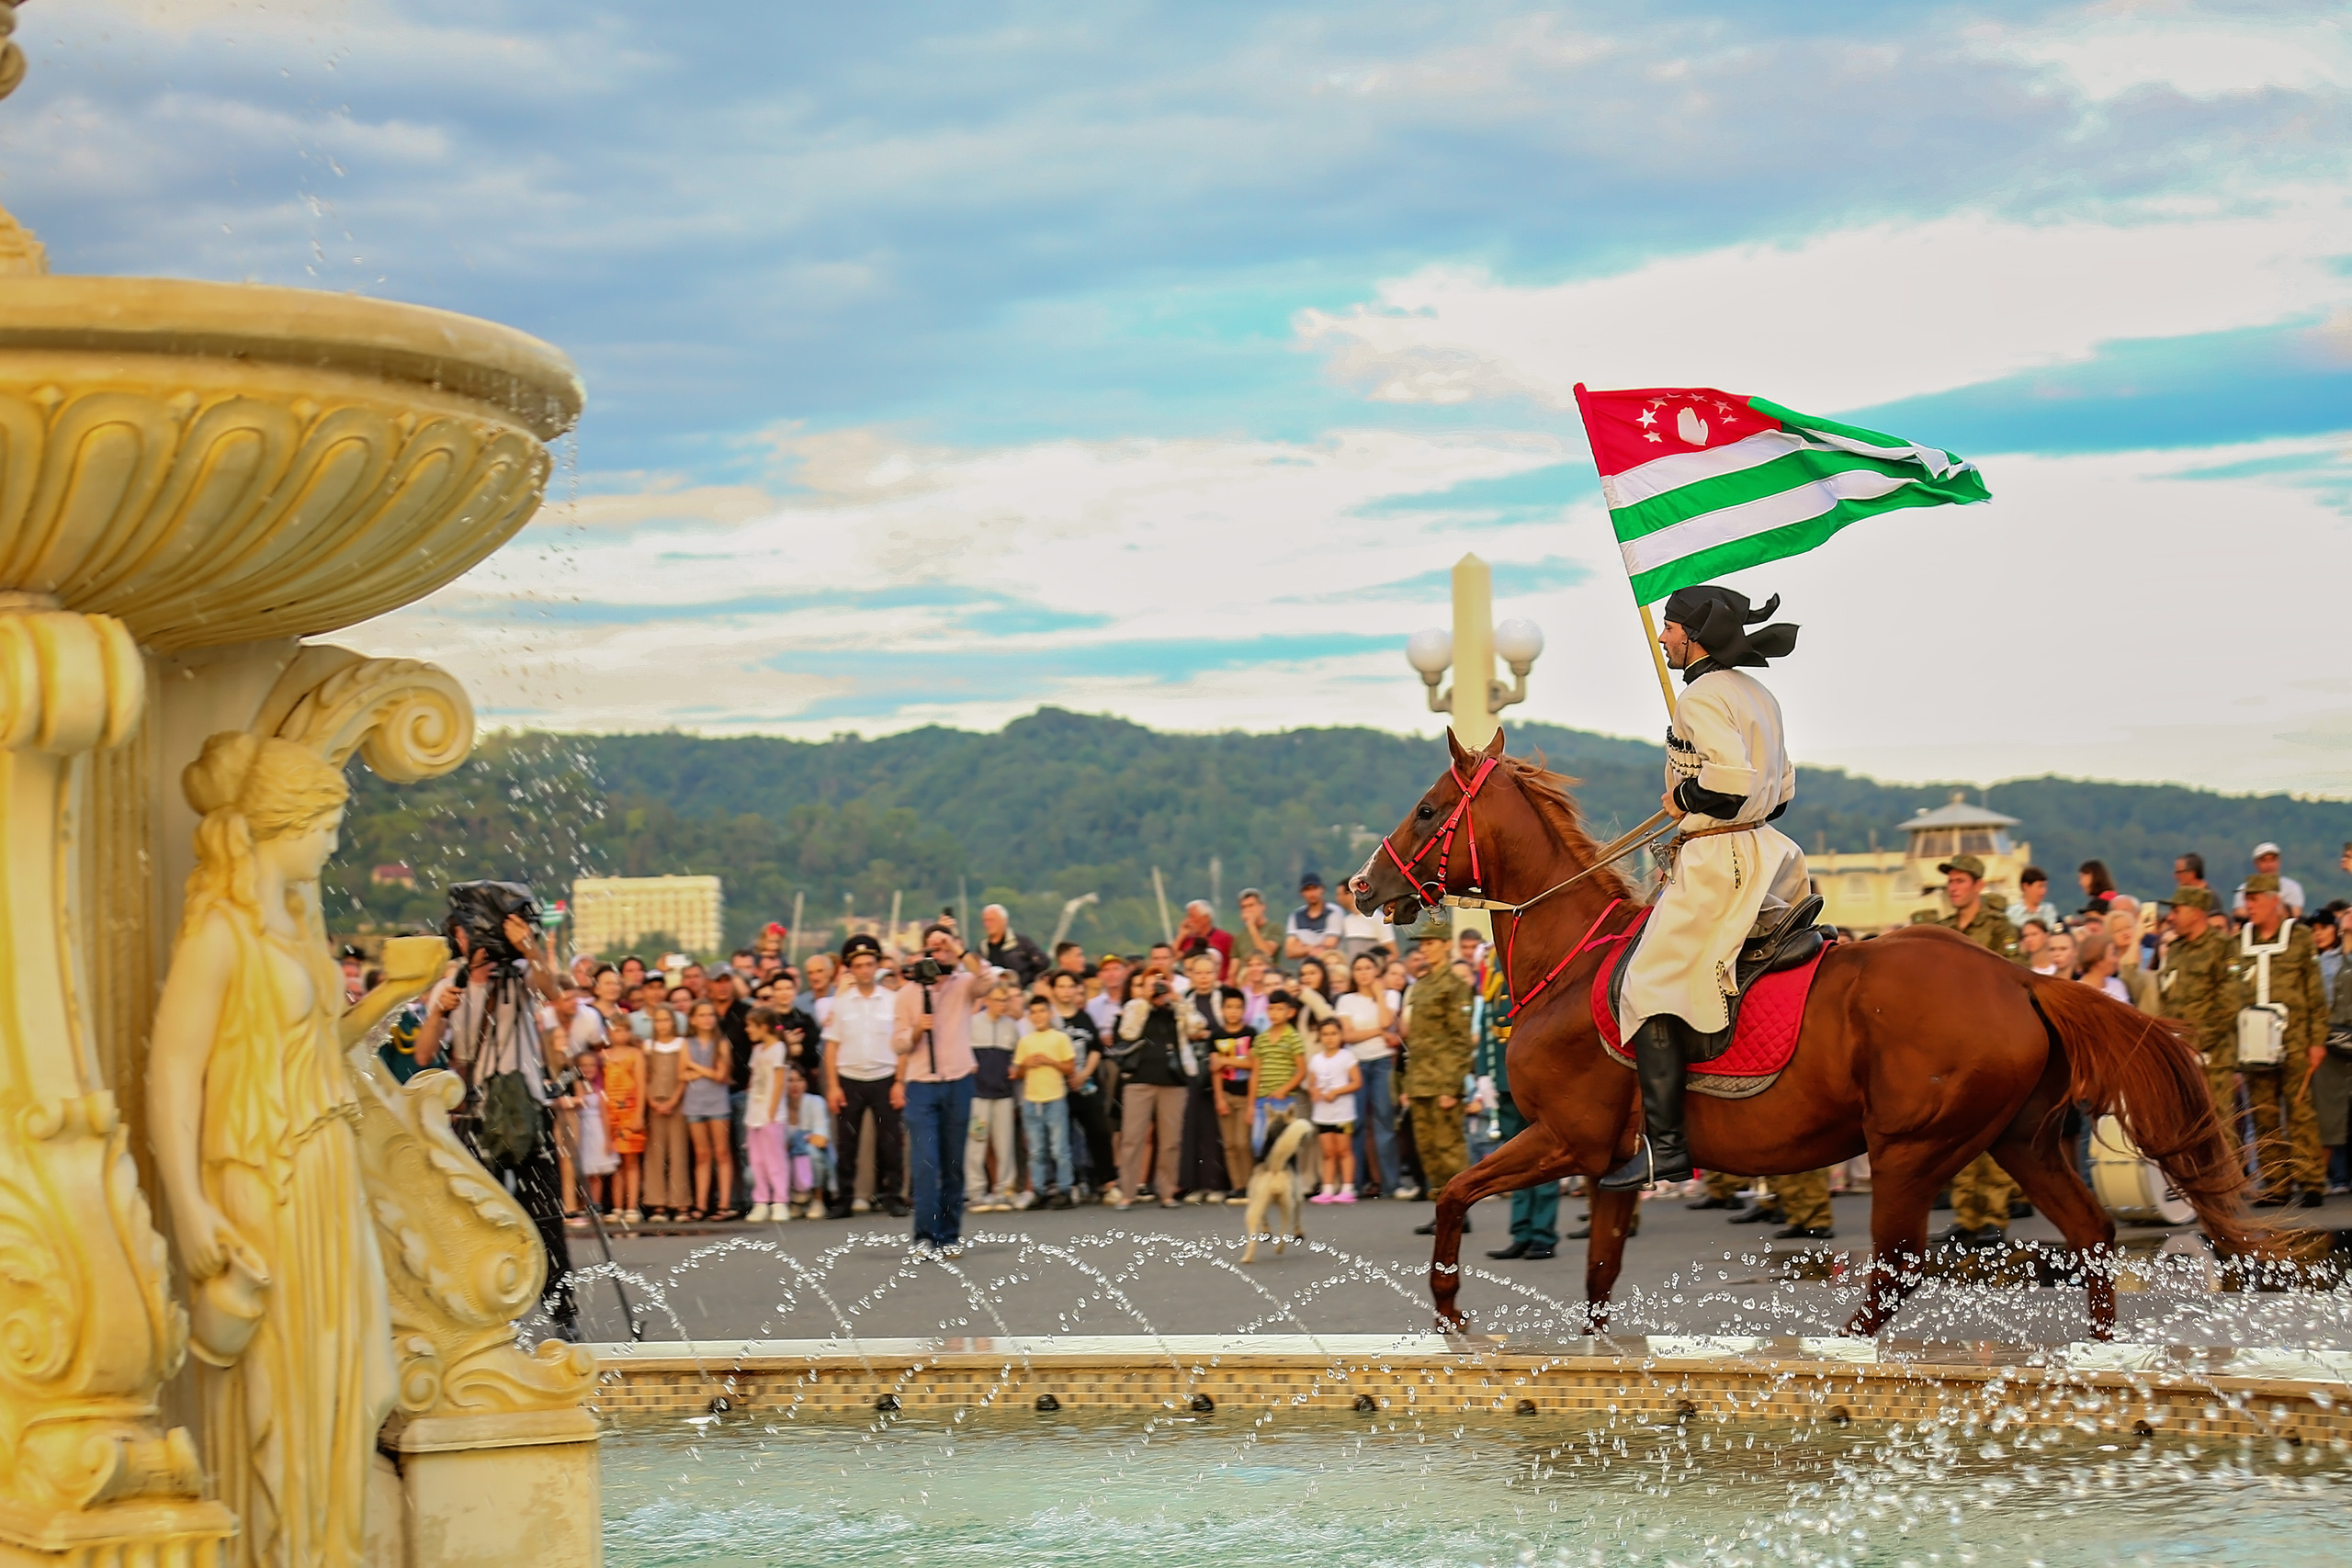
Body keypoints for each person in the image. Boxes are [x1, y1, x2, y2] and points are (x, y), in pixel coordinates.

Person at [1601, 584, 1807, 1191]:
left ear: (1693, 635)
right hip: (1772, 851)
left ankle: (1666, 1152)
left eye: (1669, 627)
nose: (1663, 638)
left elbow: (1732, 782)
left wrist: (1681, 798)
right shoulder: (1759, 693)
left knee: (1649, 985)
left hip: (1721, 861)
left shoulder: (1700, 698)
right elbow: (1783, 791)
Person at [414, 902, 578, 1334]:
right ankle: (484, 1311)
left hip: (525, 1111)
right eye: (464, 934)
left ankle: (563, 1310)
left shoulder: (519, 974)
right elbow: (424, 1052)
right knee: (476, 1215)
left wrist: (529, 945)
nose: (472, 941)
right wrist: (438, 1012)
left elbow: (553, 992)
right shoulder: (453, 984)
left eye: (476, 932)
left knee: (545, 1214)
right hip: (475, 1114)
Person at [1933, 852, 2025, 1246]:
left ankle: (1993, 1217)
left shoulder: (2001, 928)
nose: (1953, 887)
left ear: (1978, 886)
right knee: (1958, 1134)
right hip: (1953, 1046)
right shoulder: (1942, 932)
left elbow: (2014, 983)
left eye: (1960, 881)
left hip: (1992, 1044)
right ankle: (1967, 1216)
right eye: (1950, 881)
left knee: (1992, 1132)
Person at [894, 922, 994, 1252]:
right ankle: (925, 1235)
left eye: (943, 949)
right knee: (926, 1164)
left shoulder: (964, 983)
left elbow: (989, 980)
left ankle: (950, 1235)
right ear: (923, 952)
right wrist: (916, 1033)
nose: (939, 955)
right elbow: (897, 1044)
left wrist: (958, 949)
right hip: (922, 1085)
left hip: (958, 1081)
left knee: (953, 1165)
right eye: (934, 949)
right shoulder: (908, 993)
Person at [2233, 872, 2327, 1207]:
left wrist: (2318, 1040)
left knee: (2300, 1112)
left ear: (2274, 900)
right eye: (2247, 899)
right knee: (2264, 1114)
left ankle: (2312, 1181)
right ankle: (2276, 1183)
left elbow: (2315, 993)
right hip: (2255, 1042)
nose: (2249, 906)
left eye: (2255, 899)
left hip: (2295, 1039)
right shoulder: (2240, 940)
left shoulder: (2299, 937)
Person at [1478, 950, 1558, 1260]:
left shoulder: (1539, 957)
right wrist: (1485, 1071)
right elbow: (1489, 1019)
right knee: (1515, 1159)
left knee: (1543, 1156)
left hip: (1536, 1073)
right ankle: (1522, 1232)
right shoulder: (1495, 962)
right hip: (1504, 1073)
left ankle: (1543, 1233)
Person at [821, 934, 906, 1219]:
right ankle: (844, 1199)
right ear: (850, 969)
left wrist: (899, 1082)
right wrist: (833, 1086)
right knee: (847, 1144)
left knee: (891, 1142)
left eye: (870, 964)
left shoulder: (894, 1001)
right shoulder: (841, 1003)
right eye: (858, 965)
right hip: (850, 1078)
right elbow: (831, 1047)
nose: (865, 970)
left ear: (877, 966)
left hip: (885, 1077)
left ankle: (892, 1196)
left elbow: (903, 1045)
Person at [2158, 886, 2244, 1165]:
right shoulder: (2175, 950)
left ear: (2196, 913)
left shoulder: (2223, 947)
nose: (2171, 917)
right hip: (2181, 1053)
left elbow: (2229, 1003)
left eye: (2176, 910)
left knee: (2219, 1123)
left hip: (2213, 1057)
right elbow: (2166, 998)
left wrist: (2196, 1042)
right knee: (2186, 1125)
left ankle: (2226, 1188)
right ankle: (2199, 1187)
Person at [1402, 913, 1476, 1230]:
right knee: (1429, 1150)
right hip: (1420, 1081)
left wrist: (1451, 1085)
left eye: (1431, 943)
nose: (1425, 949)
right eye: (1422, 944)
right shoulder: (1421, 986)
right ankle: (1441, 1210)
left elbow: (1461, 1041)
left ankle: (1459, 1211)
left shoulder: (1455, 987)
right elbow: (1415, 1041)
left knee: (1450, 1150)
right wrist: (1407, 1084)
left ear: (1446, 945)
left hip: (1443, 1081)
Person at [1114, 965, 1203, 1207]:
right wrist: (1145, 1001)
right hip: (1139, 1080)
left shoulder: (1177, 1008)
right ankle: (1128, 1192)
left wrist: (1176, 1000)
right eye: (1152, 983)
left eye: (1161, 983)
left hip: (1173, 1080)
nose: (1157, 988)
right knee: (1132, 1138)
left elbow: (1197, 1027)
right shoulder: (1135, 1007)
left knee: (1171, 1140)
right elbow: (1127, 1032)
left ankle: (1166, 1191)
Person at [1336, 951, 1398, 1198]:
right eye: (1358, 968)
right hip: (1355, 1064)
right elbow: (1347, 1035)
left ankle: (1391, 1184)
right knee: (1357, 1122)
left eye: (1368, 968)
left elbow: (1386, 1022)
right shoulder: (1345, 1000)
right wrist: (1378, 1033)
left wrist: (1378, 995)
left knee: (1385, 1121)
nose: (1363, 973)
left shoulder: (1390, 995)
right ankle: (1355, 1183)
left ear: (1376, 971)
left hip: (1382, 1062)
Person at [1013, 994, 1079, 1207]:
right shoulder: (1025, 1041)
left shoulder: (1059, 1038)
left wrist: (1051, 1062)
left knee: (1059, 1148)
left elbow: (1070, 1067)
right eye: (1034, 1012)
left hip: (1055, 1097)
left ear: (1050, 1014)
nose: (1038, 1016)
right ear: (1029, 1016)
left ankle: (1065, 1189)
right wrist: (1026, 1065)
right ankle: (1039, 1190)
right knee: (1036, 1150)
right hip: (1032, 1099)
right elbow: (1017, 1072)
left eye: (1042, 1011)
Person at [965, 982, 1021, 1213]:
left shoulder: (1011, 1026)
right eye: (998, 1000)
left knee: (1004, 1144)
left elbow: (1017, 1055)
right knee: (976, 1143)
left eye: (1006, 1000)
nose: (1003, 1005)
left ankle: (1004, 1191)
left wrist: (1016, 1068)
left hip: (1003, 1094)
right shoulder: (973, 1023)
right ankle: (976, 1192)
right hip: (978, 1095)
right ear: (987, 1000)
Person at [679, 999, 736, 1220]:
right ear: (693, 1019)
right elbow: (681, 1075)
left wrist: (694, 1067)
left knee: (721, 1152)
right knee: (702, 1155)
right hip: (694, 1103)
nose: (707, 1019)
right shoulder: (687, 1043)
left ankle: (724, 1204)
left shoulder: (721, 1042)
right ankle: (701, 1205)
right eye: (702, 1015)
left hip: (717, 1102)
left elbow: (721, 1075)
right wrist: (706, 1071)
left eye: (710, 1014)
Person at [741, 1006, 791, 1222]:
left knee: (775, 1159)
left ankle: (780, 1200)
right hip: (755, 1113)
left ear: (763, 1027)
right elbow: (754, 1079)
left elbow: (779, 1081)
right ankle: (760, 1200)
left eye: (750, 1026)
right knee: (757, 1160)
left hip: (771, 1115)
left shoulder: (778, 1048)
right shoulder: (758, 1050)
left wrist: (772, 1110)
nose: (747, 1030)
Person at [1208, 987, 1258, 1199]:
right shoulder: (1216, 1036)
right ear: (1222, 1010)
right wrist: (1219, 1098)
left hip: (1245, 1095)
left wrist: (1226, 1060)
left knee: (1242, 1142)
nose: (1233, 1011)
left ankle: (1250, 1184)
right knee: (1228, 1144)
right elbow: (1214, 1070)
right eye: (1229, 1007)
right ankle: (1237, 1186)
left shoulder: (1251, 1034)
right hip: (1226, 1095)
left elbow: (1253, 1065)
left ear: (1244, 1010)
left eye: (1238, 1007)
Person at [641, 1003, 689, 1222]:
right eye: (658, 1020)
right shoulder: (648, 1046)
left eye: (666, 1020)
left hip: (677, 1103)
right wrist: (651, 1100)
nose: (662, 1025)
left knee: (678, 1152)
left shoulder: (681, 1044)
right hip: (654, 1103)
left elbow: (683, 1075)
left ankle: (679, 1202)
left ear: (673, 1022)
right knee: (656, 1153)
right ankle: (657, 1202)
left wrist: (673, 1100)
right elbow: (645, 1077)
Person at [1306, 1017, 1363, 1202]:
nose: (1329, 1038)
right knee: (1328, 1152)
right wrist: (1314, 1092)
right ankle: (1327, 1189)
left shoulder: (1347, 1057)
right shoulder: (1316, 1060)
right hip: (1323, 1114)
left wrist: (1337, 1091)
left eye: (1333, 1034)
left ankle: (1348, 1187)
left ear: (1340, 1035)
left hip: (1343, 1113)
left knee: (1344, 1150)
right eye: (1325, 1034)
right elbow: (1312, 1084)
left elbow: (1356, 1082)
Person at [1248, 991, 1309, 1155]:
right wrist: (1250, 1104)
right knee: (1258, 1144)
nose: (1274, 1013)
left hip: (1284, 1100)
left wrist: (1283, 1090)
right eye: (1271, 1009)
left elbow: (1302, 1071)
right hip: (1262, 1100)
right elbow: (1255, 1073)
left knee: (1282, 1146)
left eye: (1280, 1009)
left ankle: (1283, 1179)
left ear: (1290, 1012)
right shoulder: (1261, 1039)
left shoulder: (1293, 1037)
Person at [603, 1020, 647, 1223]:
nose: (619, 1033)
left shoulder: (635, 1054)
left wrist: (639, 1114)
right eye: (615, 1029)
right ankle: (617, 1206)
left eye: (623, 1029)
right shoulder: (604, 1055)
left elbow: (641, 1085)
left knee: (631, 1161)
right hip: (609, 1112)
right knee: (615, 1162)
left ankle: (632, 1206)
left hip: (630, 1110)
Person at [979, 904, 1047, 987]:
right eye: (985, 921)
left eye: (991, 920)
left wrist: (1027, 980)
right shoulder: (983, 948)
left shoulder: (1021, 942)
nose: (987, 924)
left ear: (1004, 921)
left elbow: (1043, 962)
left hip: (1020, 990)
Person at [2234, 842, 2307, 918]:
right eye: (2264, 860)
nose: (2269, 865)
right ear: (2256, 863)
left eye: (2273, 860)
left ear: (2279, 861)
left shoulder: (2292, 887)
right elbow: (2241, 914)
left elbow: (2295, 914)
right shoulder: (2244, 889)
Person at [1284, 872, 1342, 961]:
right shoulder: (1296, 916)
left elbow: (1330, 945)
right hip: (1306, 968)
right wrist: (1313, 948)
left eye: (1314, 888)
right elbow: (1289, 951)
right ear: (1302, 893)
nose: (1312, 893)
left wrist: (1302, 946)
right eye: (1307, 890)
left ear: (1322, 889)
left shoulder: (1333, 912)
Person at [1175, 899, 1234, 979]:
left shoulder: (1225, 939)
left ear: (1206, 919)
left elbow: (1234, 963)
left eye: (1192, 916)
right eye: (1187, 916)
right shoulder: (1187, 940)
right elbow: (1170, 959)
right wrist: (1180, 935)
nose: (1188, 921)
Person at [1234, 887, 1282, 967]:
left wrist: (1251, 926)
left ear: (1262, 907)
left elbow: (1267, 953)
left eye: (1251, 905)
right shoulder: (1240, 937)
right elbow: (1234, 967)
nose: (1247, 910)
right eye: (1244, 907)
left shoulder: (1274, 928)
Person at [2006, 867, 2063, 933]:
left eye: (2045, 887)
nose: (2043, 891)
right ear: (2026, 886)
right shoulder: (2012, 914)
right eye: (2040, 886)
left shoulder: (2050, 910)